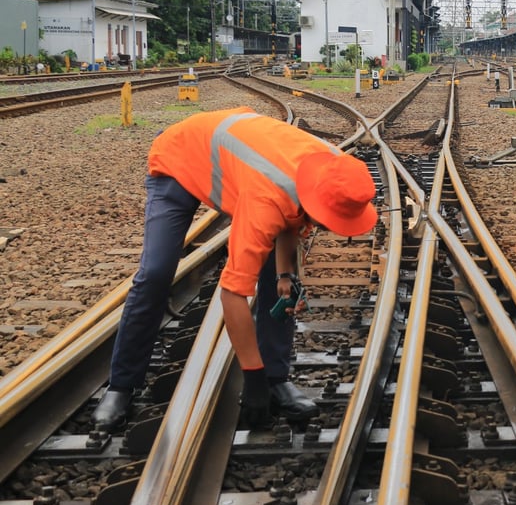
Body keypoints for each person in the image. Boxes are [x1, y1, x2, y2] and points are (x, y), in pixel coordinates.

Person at [92, 107, 378, 430]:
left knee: (282, 279)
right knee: (156, 273)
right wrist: (250, 377)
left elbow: (294, 215)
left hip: (246, 166)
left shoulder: (329, 167)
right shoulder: (265, 199)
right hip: (178, 159)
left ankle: (277, 378)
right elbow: (233, 294)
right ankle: (121, 386)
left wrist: (285, 274)